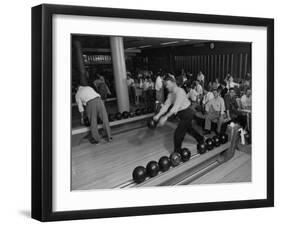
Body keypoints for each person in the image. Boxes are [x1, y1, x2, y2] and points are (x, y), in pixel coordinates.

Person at [153, 75, 204, 153]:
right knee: (189, 129)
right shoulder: (170, 94)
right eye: (165, 85)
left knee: (178, 134)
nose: (166, 86)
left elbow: (175, 107)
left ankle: (177, 153)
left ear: (173, 83)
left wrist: (165, 117)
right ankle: (200, 139)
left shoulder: (180, 91)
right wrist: (158, 115)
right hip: (182, 114)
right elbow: (166, 106)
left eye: (168, 84)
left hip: (188, 112)